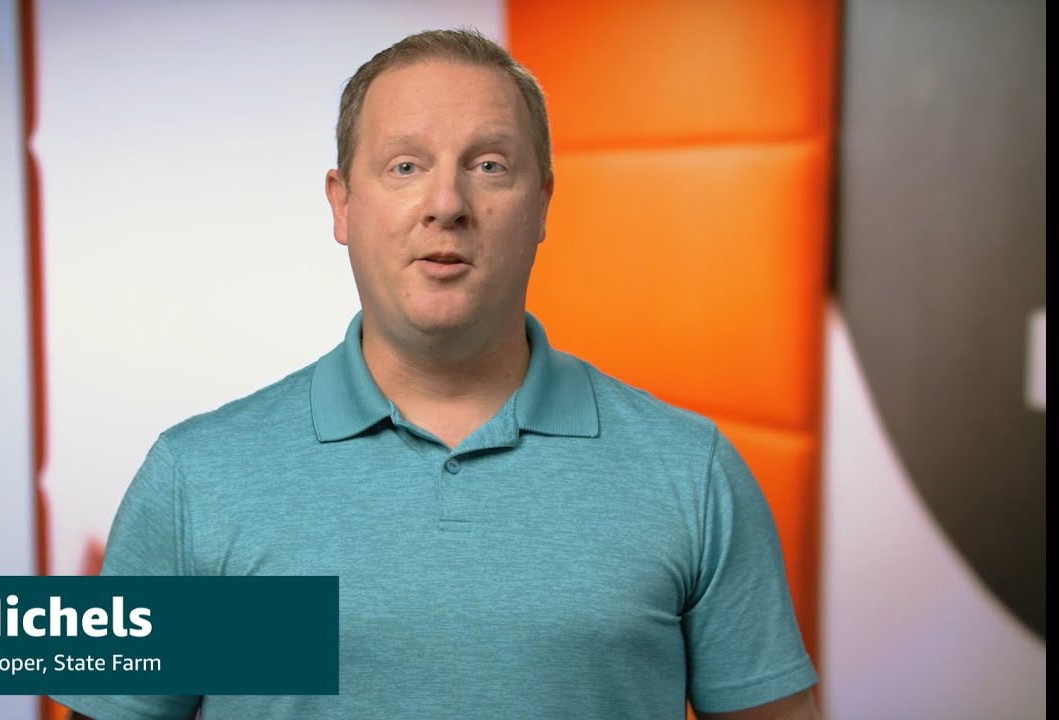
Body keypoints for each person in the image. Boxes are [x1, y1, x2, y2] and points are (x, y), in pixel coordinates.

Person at [54, 28, 819, 720]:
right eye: (404, 165)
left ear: (543, 202)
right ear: (342, 205)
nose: (446, 203)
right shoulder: (197, 481)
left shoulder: (691, 472)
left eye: (489, 166)